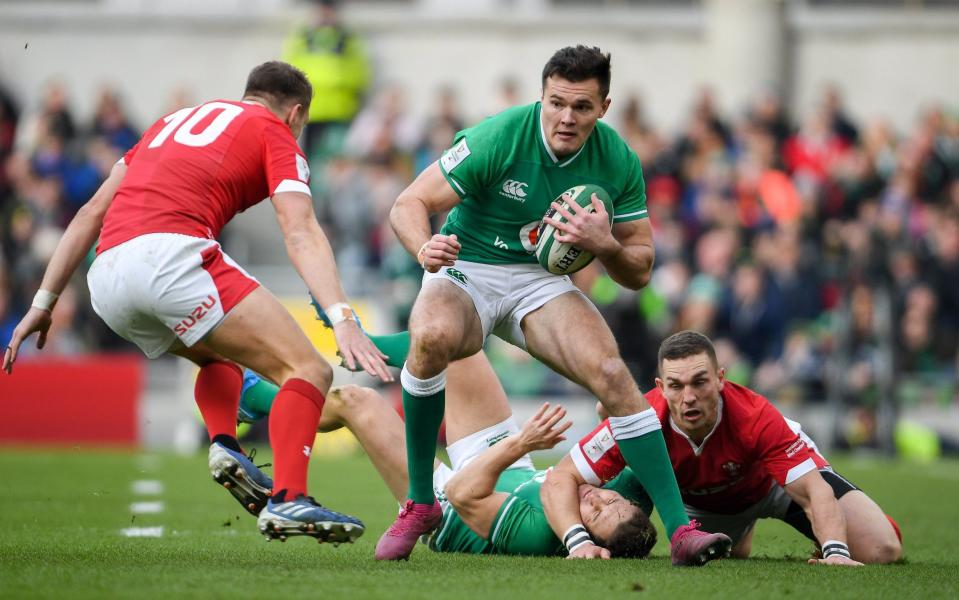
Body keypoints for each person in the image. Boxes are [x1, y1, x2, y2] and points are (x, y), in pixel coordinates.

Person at [2, 61, 391, 544]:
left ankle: (225, 443)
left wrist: (43, 300)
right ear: (295, 114)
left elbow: (90, 212)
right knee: (309, 370)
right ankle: (289, 498)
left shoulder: (168, 123)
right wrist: (342, 316)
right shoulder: (275, 131)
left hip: (107, 276)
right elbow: (301, 229)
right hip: (171, 255)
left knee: (218, 354)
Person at [383, 44, 730, 562]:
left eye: (582, 107)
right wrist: (422, 246)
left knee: (613, 375)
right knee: (430, 339)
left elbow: (639, 269)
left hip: (538, 281)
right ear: (541, 97)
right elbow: (409, 202)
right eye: (556, 103)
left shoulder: (616, 159)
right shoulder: (499, 135)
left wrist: (604, 242)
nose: (567, 117)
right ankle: (419, 503)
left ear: (603, 108)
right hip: (468, 266)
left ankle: (681, 531)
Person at [239, 349, 658, 559]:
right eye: (611, 499)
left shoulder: (539, 535)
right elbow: (652, 435)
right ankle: (373, 345)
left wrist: (520, 444)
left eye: (597, 514)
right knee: (460, 340)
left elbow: (462, 492)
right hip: (508, 464)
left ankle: (263, 400)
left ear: (591, 543)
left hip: (446, 504)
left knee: (356, 402)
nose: (598, 498)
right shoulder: (628, 504)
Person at [543, 330, 903, 565]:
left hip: (773, 485)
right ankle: (741, 530)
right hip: (704, 503)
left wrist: (836, 553)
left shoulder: (755, 414)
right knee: (733, 556)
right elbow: (559, 478)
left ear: (720, 379)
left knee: (882, 548)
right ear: (660, 386)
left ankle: (800, 530)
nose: (688, 397)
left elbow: (813, 490)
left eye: (700, 382)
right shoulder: (638, 418)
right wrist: (578, 543)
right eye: (676, 385)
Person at [283, 0, 370, 172]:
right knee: (308, 159)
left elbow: (360, 71)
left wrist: (340, 84)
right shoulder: (303, 37)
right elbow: (289, 66)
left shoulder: (346, 39)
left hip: (340, 111)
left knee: (338, 159)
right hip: (310, 111)